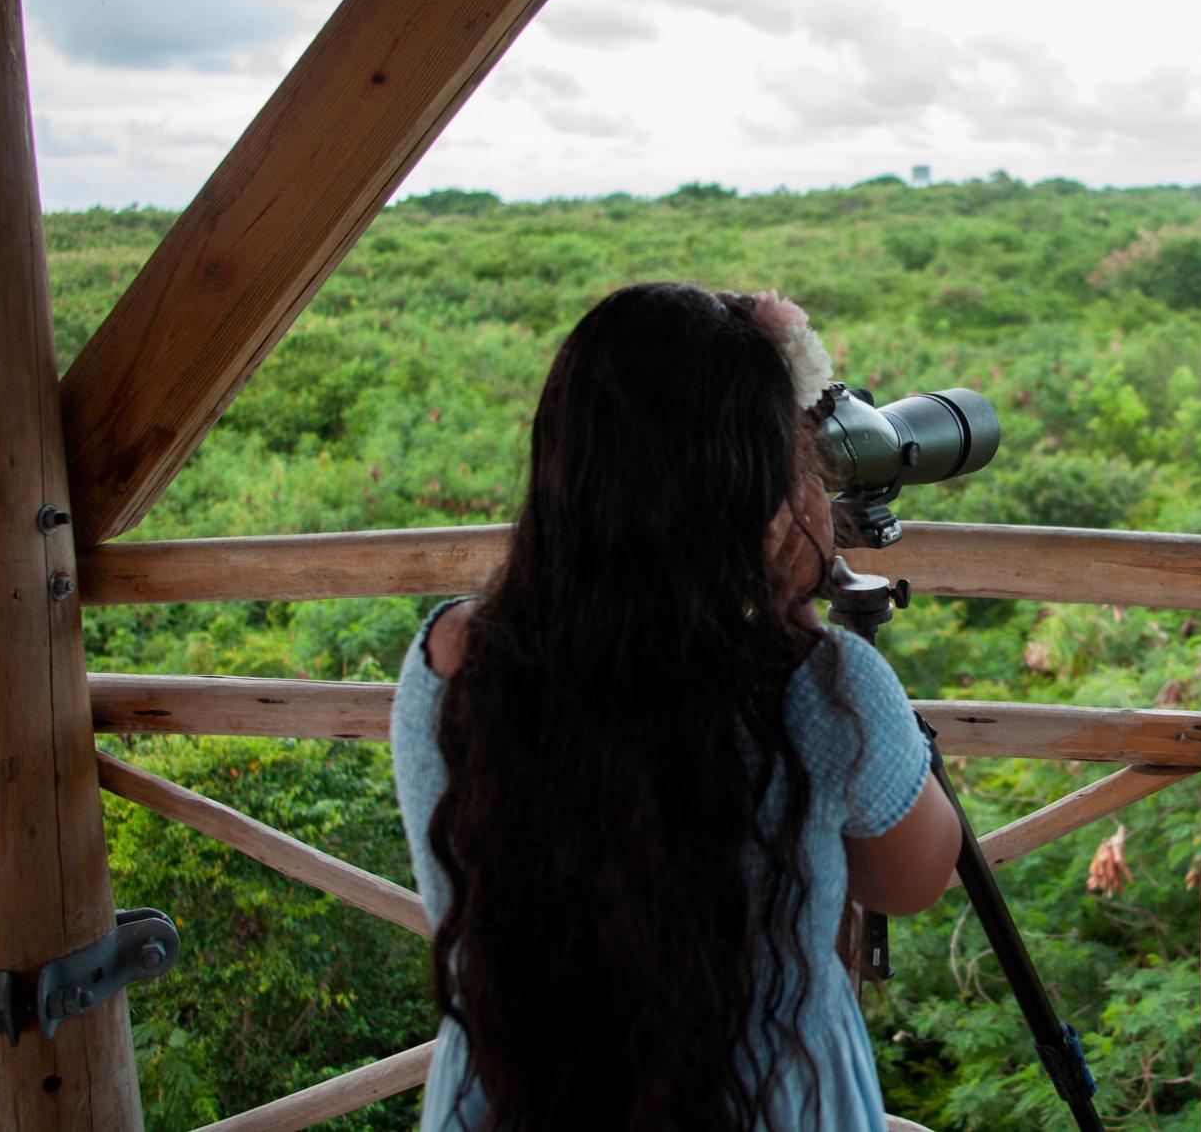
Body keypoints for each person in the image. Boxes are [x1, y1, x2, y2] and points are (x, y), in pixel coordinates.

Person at [390, 282, 961, 1130]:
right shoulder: (820, 685)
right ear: (759, 488)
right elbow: (915, 878)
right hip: (765, 1099)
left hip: (511, 1094)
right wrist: (797, 611)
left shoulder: (452, 656)